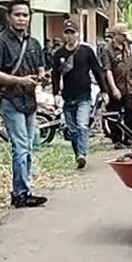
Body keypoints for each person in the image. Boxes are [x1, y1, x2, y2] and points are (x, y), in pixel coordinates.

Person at [0, 0, 48, 208]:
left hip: (30, 101)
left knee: (29, 147)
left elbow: (41, 66)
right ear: (9, 16)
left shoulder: (34, 43)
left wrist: (42, 77)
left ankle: (24, 190)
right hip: (10, 100)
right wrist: (20, 80)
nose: (22, 19)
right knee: (21, 148)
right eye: (18, 15)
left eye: (25, 15)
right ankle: (21, 193)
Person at [51, 19, 104, 168]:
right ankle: (77, 154)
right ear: (63, 35)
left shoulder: (86, 51)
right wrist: (55, 93)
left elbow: (97, 71)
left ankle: (82, 153)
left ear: (78, 34)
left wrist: (104, 90)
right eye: (67, 32)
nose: (69, 36)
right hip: (67, 96)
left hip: (84, 96)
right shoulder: (58, 54)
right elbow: (55, 75)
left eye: (72, 32)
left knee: (82, 125)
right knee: (72, 130)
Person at [103, 23, 132, 148]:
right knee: (114, 114)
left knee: (130, 113)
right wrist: (113, 88)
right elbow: (108, 70)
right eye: (122, 35)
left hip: (128, 86)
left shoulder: (127, 47)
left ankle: (129, 138)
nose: (124, 38)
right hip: (116, 86)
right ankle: (116, 139)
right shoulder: (107, 49)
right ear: (116, 35)